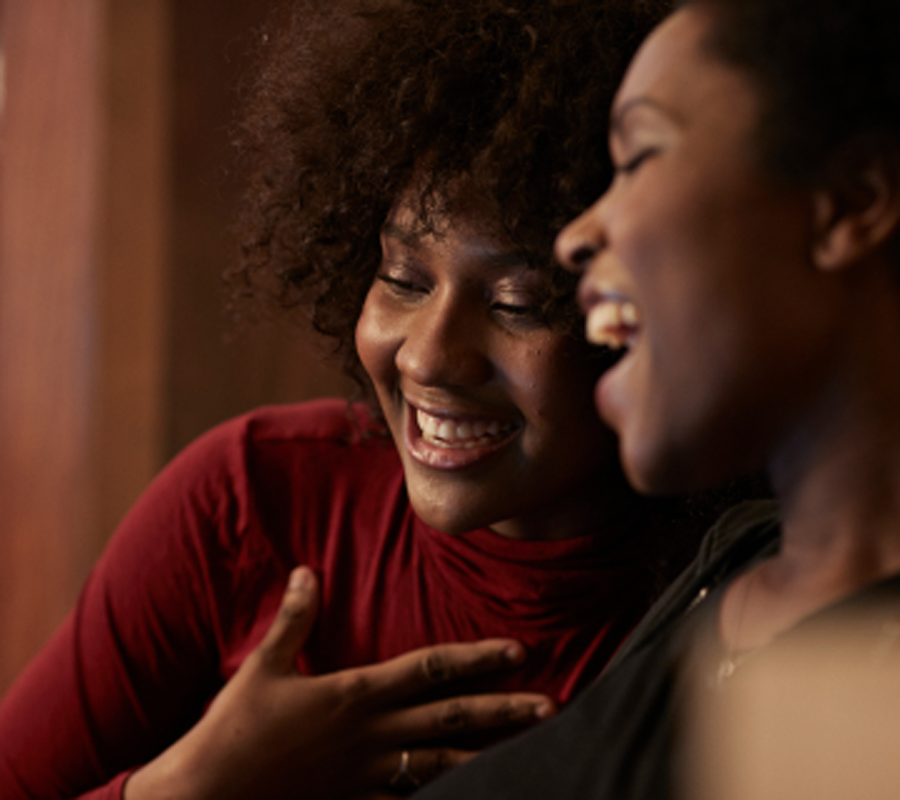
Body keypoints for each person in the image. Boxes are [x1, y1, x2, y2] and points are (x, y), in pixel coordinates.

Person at [0, 1, 742, 798]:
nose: (427, 355)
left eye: (519, 304)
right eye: (404, 279)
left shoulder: (739, 596)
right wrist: (198, 783)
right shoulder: (253, 503)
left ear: (640, 312)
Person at [413, 0, 900, 797]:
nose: (576, 237)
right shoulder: (740, 558)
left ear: (852, 200)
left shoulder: (872, 675)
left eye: (638, 158)